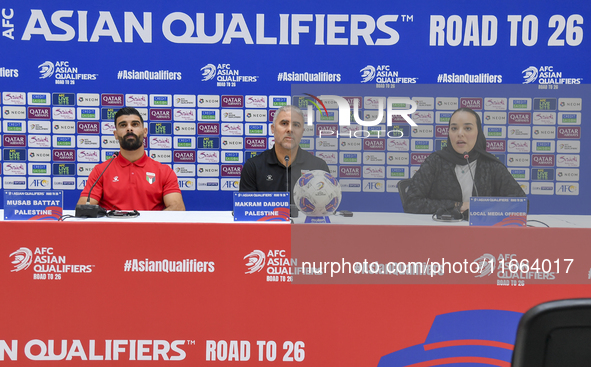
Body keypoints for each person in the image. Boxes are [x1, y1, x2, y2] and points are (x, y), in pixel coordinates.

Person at [403, 107, 526, 214]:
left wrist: (483, 208)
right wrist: (459, 206)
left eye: (467, 128)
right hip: (441, 233)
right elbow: (411, 202)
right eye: (454, 128)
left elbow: (521, 204)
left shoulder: (491, 165)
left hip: (482, 235)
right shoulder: (435, 162)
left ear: (478, 133)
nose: (460, 133)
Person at [77, 107, 185, 211]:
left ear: (145, 131)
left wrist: (145, 226)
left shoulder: (164, 172)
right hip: (113, 229)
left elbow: (177, 209)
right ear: (115, 134)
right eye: (123, 125)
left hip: (150, 229)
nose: (129, 128)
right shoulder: (100, 171)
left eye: (135, 124)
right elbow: (84, 209)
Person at [239, 105, 329, 201]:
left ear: (302, 132)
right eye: (284, 123)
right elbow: (246, 209)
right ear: (273, 129)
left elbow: (325, 207)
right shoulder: (253, 166)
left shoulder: (319, 166)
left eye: (296, 125)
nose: (290, 129)